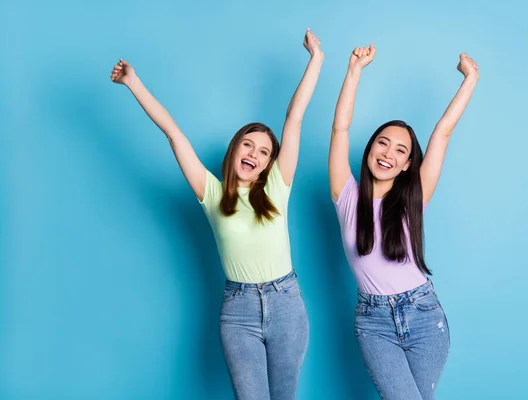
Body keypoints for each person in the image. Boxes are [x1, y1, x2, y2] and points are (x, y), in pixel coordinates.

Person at [110, 29, 324, 400]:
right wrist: (133, 82)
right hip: (238, 311)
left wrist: (316, 59)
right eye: (248, 144)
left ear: (267, 166)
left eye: (263, 152)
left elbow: (295, 118)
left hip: (287, 305)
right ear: (234, 148)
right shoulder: (210, 193)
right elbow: (174, 134)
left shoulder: (277, 187)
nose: (254, 154)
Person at [328, 44, 479, 399]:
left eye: (400, 150)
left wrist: (470, 79)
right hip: (373, 322)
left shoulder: (415, 198)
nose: (389, 154)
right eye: (383, 143)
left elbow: (442, 132)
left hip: (424, 315)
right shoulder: (346, 195)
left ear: (408, 163)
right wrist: (354, 71)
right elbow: (340, 129)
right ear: (369, 150)